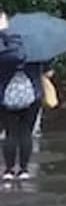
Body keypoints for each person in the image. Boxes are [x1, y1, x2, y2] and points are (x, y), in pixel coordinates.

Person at [0, 9, 45, 183]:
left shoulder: (3, 47)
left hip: (5, 95)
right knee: (26, 132)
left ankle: (9, 170)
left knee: (10, 133)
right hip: (32, 94)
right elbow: (47, 70)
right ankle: (24, 170)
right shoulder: (35, 46)